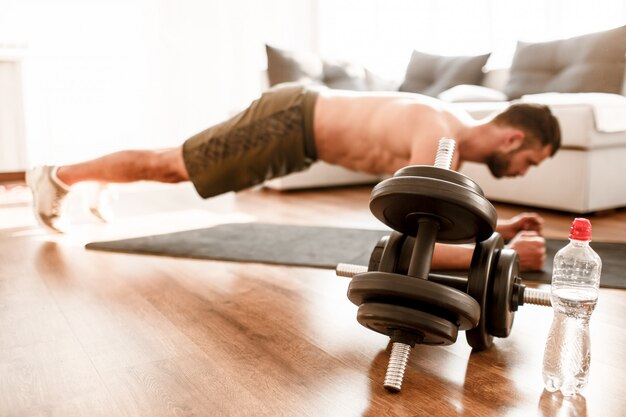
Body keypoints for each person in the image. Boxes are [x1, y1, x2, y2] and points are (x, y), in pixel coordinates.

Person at [26, 83, 560, 271]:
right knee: (171, 167)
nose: (522, 172)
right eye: (531, 161)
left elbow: (434, 226)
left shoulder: (450, 143)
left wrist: (500, 231)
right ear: (514, 138)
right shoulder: (439, 135)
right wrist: (497, 257)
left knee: (170, 162)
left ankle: (97, 180)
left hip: (298, 132)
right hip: (291, 123)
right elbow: (412, 242)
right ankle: (57, 178)